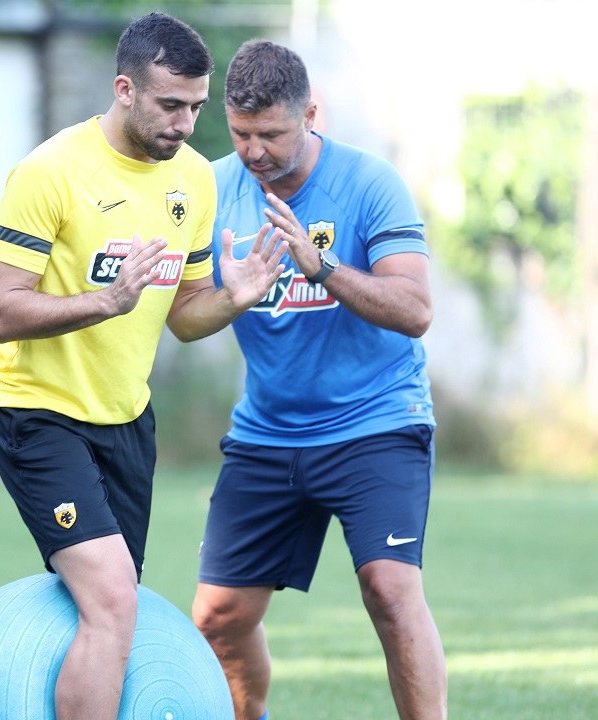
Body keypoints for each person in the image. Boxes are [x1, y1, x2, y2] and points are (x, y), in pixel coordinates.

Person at [0, 13, 288, 720]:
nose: (186, 124)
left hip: (125, 423)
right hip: (37, 413)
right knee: (114, 599)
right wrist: (106, 301)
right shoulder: (49, 172)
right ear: (125, 89)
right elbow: (0, 311)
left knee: (111, 607)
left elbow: (185, 315)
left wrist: (233, 299)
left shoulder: (194, 180)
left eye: (196, 107)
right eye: (170, 105)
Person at [190, 39, 448, 720]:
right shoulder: (209, 190)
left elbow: (416, 311)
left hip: (375, 421)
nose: (254, 152)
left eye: (271, 135)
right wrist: (231, 296)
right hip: (267, 432)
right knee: (217, 619)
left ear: (310, 114)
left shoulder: (369, 183)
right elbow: (185, 316)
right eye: (241, 134)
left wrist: (322, 267)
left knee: (390, 592)